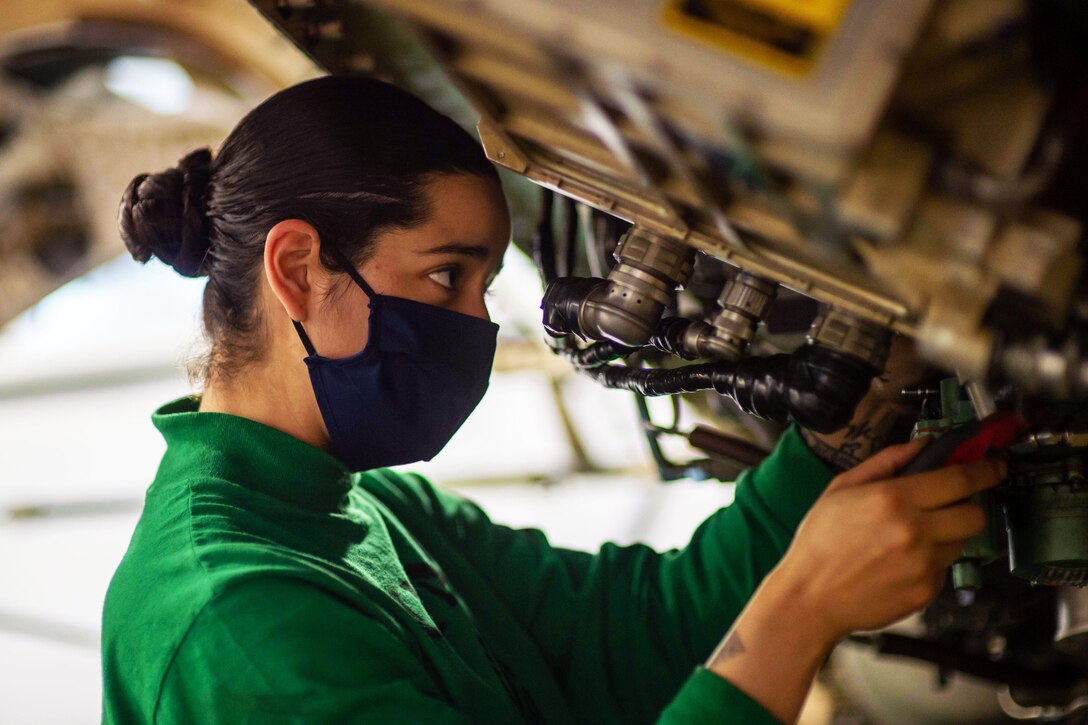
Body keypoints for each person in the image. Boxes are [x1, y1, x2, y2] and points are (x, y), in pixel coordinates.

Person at [101, 76, 1003, 724]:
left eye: (483, 285)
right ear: (297, 268)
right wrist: (800, 612)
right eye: (445, 274)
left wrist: (831, 444)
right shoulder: (236, 621)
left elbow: (635, 637)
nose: (474, 328)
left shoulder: (366, 509)